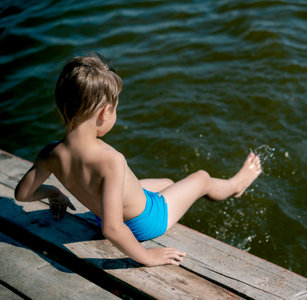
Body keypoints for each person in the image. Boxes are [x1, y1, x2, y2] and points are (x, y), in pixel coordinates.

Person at [14, 53, 262, 267]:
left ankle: (177, 191)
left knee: (165, 181)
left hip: (109, 212)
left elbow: (22, 194)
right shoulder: (111, 160)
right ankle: (235, 186)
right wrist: (147, 256)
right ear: (104, 113)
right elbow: (111, 229)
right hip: (144, 224)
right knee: (201, 178)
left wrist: (53, 194)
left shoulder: (51, 153)